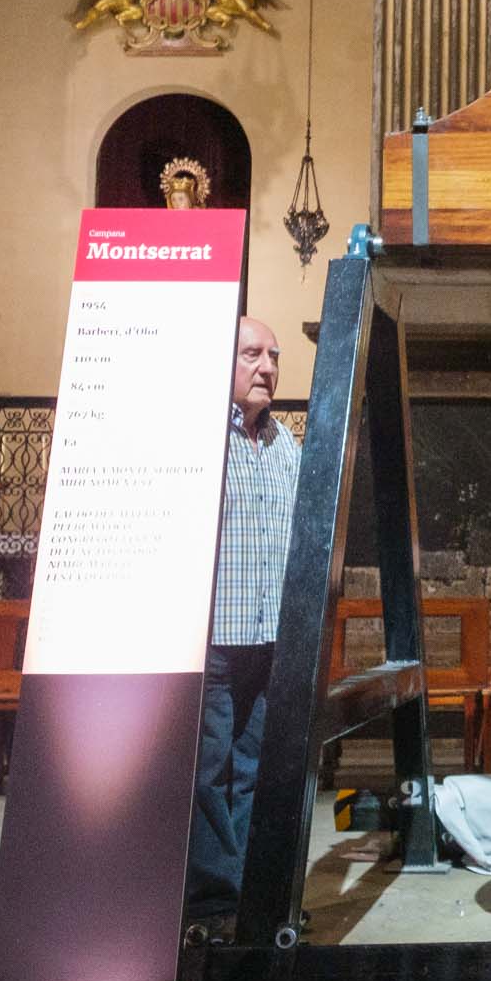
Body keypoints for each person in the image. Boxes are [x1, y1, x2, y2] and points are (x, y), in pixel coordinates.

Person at [189, 317, 300, 931]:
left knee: (254, 767)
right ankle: (212, 899)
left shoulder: (286, 444)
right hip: (216, 637)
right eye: (252, 354)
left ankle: (248, 894)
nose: (266, 368)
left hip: (270, 636)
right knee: (209, 769)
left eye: (274, 357)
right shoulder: (202, 438)